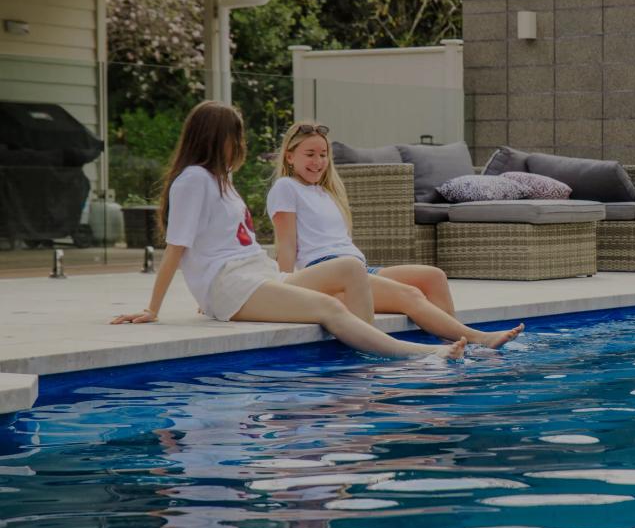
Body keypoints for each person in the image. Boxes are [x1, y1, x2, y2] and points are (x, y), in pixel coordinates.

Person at [110, 101, 466, 361]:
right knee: (328, 307)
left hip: (258, 274)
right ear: (217, 138)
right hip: (232, 287)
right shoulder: (192, 181)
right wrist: (153, 308)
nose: (241, 144)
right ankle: (415, 356)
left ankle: (369, 357)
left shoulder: (220, 180)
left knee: (351, 268)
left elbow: (222, 241)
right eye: (237, 136)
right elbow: (177, 248)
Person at [267, 121, 524, 349]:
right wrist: (286, 291)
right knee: (409, 295)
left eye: (323, 154)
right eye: (309, 154)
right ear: (290, 157)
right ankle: (478, 339)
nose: (318, 162)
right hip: (328, 275)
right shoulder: (285, 187)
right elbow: (286, 243)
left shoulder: (325, 192)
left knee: (433, 277)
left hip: (360, 269)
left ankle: (455, 344)